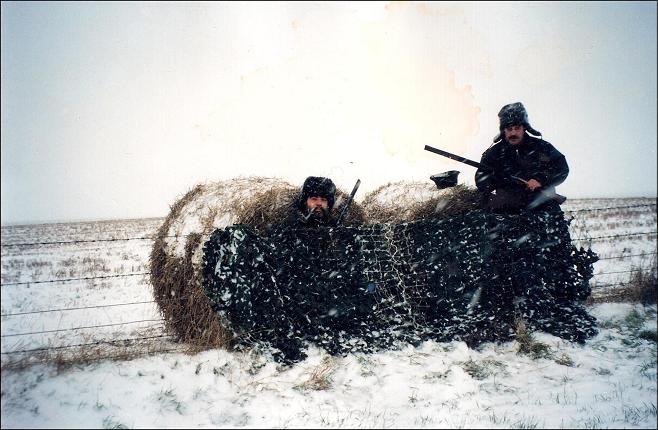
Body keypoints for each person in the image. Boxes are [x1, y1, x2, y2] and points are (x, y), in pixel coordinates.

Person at [475, 102, 569, 212]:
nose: (513, 133)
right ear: (503, 130)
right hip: (507, 211)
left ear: (524, 128)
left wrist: (540, 179)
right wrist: (500, 180)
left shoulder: (542, 148)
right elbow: (481, 179)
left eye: (517, 128)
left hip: (543, 208)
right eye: (509, 129)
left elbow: (561, 168)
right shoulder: (493, 153)